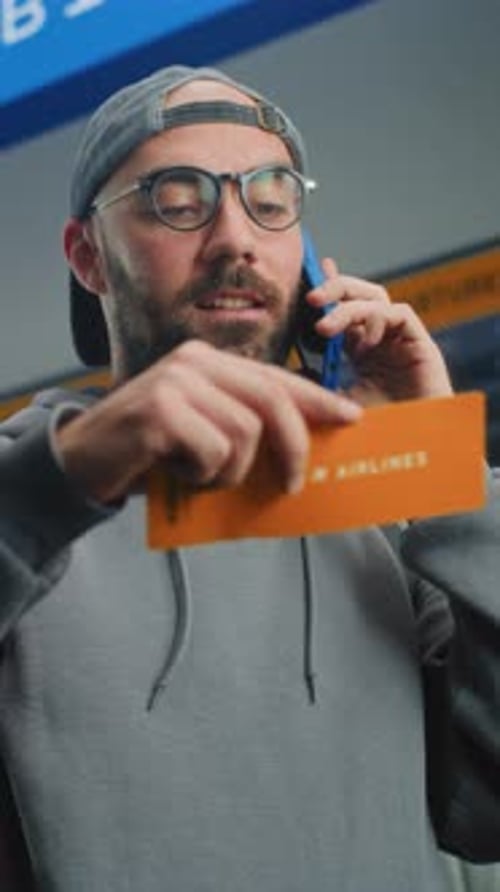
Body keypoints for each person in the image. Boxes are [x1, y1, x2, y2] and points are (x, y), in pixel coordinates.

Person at [0, 64, 499, 892]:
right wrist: (67, 475)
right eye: (179, 198)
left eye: (269, 199)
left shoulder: (375, 507)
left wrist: (449, 472)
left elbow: (486, 813)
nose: (234, 237)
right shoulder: (32, 482)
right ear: (89, 257)